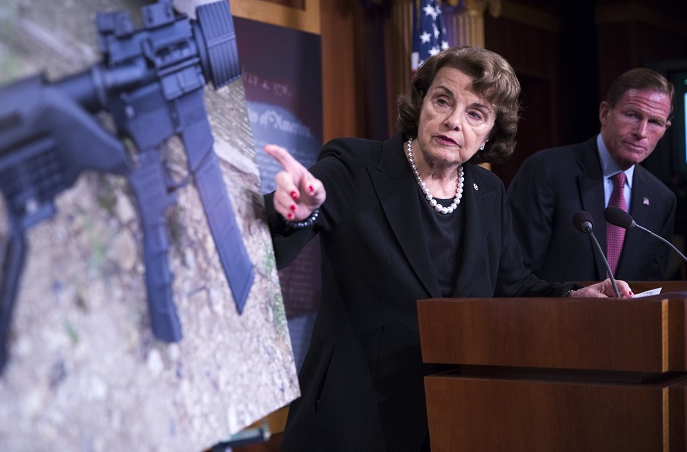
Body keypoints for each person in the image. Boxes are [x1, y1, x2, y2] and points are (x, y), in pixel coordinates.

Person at [263, 46, 631, 452]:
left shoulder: (488, 191)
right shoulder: (355, 165)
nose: (454, 121)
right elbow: (281, 228)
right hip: (353, 416)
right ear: (421, 102)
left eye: (476, 114)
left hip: (452, 414)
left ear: (490, 132)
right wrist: (294, 213)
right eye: (443, 100)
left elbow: (512, 285)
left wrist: (573, 296)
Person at [507, 68, 677, 283]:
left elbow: (651, 285)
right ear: (605, 113)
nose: (641, 132)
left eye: (655, 122)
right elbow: (516, 272)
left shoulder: (662, 199)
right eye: (632, 115)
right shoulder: (546, 170)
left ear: (665, 128)